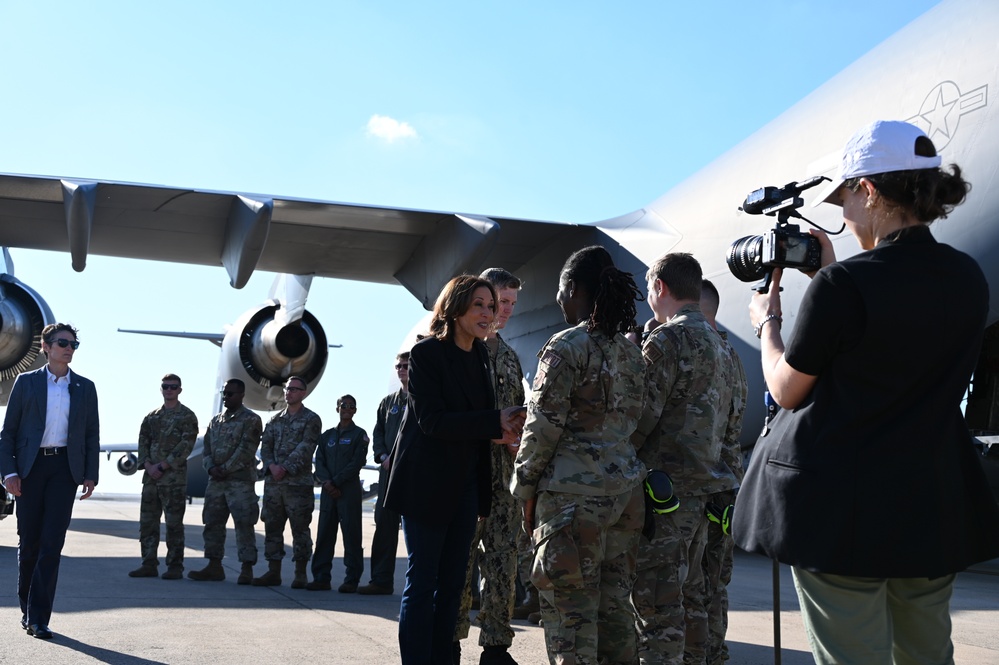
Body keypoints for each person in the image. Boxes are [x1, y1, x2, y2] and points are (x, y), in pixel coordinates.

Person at [734, 119, 999, 665]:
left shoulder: (845, 286)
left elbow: (786, 388)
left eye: (847, 200)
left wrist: (768, 322)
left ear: (870, 191)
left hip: (843, 516)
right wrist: (833, 277)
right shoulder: (967, 277)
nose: (846, 216)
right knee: (927, 653)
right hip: (929, 508)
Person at [511, 245, 647, 665]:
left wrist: (524, 487)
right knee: (615, 609)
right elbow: (637, 424)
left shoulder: (566, 347)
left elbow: (542, 427)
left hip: (572, 502)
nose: (557, 299)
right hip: (625, 499)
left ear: (571, 289)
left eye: (559, 290)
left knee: (572, 616)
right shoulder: (630, 354)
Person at [383, 274, 526, 665]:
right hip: (427, 484)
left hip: (465, 484)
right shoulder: (427, 355)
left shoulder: (482, 355)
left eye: (491, 306)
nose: (488, 313)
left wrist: (505, 425)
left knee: (451, 586)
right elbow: (433, 421)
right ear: (456, 307)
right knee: (423, 580)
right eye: (479, 304)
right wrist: (494, 420)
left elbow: (478, 421)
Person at [629, 252, 739, 665]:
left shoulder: (665, 340)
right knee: (689, 602)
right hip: (706, 496)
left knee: (658, 609)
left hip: (665, 497)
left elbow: (642, 417)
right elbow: (731, 425)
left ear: (660, 288)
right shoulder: (722, 348)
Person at [0, 323, 99, 640]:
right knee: (29, 545)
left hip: (64, 471)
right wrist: (9, 472)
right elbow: (9, 433)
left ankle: (39, 618)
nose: (68, 348)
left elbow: (91, 435)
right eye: (62, 342)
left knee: (52, 545)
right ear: (45, 346)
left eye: (73, 343)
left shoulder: (85, 387)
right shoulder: (27, 383)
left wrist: (90, 473)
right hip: (31, 469)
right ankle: (27, 610)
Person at [454, 268, 526, 665]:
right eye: (500, 301)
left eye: (513, 304)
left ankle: (496, 647)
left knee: (503, 561)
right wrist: (489, 430)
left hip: (505, 480)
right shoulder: (459, 351)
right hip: (467, 476)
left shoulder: (511, 357)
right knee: (460, 563)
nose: (505, 310)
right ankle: (450, 639)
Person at [696, 279, 747, 665]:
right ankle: (714, 651)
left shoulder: (689, 352)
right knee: (716, 580)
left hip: (692, 488)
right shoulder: (733, 359)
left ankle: (693, 653)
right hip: (727, 488)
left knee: (688, 582)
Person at [188, 379, 263, 584]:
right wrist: (211, 467)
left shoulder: (251, 419)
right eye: (224, 393)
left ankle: (247, 569)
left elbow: (246, 450)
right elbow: (207, 450)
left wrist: (225, 469)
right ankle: (214, 566)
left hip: (240, 483)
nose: (226, 397)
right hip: (216, 483)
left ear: (241, 395)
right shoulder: (215, 421)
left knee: (244, 525)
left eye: (230, 394)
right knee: (212, 524)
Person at [252, 375, 322, 588]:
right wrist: (272, 466)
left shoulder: (311, 419)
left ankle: (300, 573)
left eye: (293, 389)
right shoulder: (275, 420)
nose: (288, 392)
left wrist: (286, 467)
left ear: (303, 393)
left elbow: (306, 446)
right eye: (287, 389)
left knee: (300, 529)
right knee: (272, 528)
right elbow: (265, 446)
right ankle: (273, 572)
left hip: (298, 485)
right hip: (274, 485)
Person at [129, 373, 199, 580]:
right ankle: (148, 563)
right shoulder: (152, 417)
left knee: (174, 525)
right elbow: (143, 443)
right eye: (166, 386)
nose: (169, 390)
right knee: (148, 523)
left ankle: (175, 566)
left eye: (173, 387)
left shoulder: (187, 417)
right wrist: (149, 466)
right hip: (151, 479)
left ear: (180, 390)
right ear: (161, 389)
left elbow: (186, 445)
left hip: (173, 480)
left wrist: (164, 464)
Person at [358, 352, 410, 596]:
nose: (401, 370)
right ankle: (380, 580)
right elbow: (378, 433)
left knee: (417, 533)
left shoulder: (424, 399)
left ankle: (422, 584)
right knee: (384, 528)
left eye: (406, 366)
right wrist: (382, 456)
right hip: (388, 475)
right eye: (399, 366)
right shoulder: (388, 402)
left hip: (413, 475)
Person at [309, 394, 369, 592]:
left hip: (348, 492)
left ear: (355, 411)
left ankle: (351, 579)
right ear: (337, 408)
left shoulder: (359, 435)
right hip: (328, 492)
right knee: (325, 534)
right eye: (344, 405)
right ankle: (321, 577)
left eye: (352, 406)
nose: (347, 409)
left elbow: (357, 462)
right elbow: (319, 462)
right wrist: (327, 483)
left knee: (352, 536)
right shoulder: (327, 436)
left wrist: (335, 482)